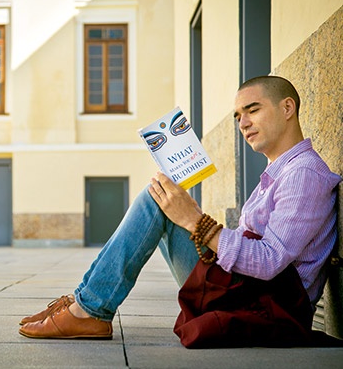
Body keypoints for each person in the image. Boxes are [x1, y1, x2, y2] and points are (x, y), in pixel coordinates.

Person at [19, 75, 342, 340]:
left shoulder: (303, 173)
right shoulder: (279, 173)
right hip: (243, 289)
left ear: (288, 108)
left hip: (265, 305)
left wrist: (198, 223)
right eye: (238, 116)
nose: (243, 123)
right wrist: (191, 221)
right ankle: (84, 301)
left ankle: (89, 310)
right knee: (161, 195)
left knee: (156, 201)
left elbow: (270, 261)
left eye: (253, 110)